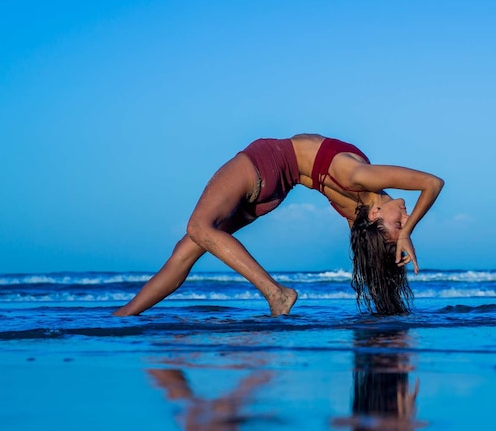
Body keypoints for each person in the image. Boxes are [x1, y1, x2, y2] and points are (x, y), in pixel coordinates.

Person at [112, 133, 443, 317]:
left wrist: (407, 232)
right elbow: (369, 250)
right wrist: (398, 241)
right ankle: (125, 316)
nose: (406, 214)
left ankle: (276, 293)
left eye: (399, 222)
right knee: (188, 249)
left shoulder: (361, 178)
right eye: (406, 220)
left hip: (268, 163)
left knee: (199, 228)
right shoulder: (355, 212)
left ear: (375, 217)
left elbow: (433, 182)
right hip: (275, 189)